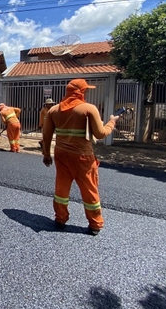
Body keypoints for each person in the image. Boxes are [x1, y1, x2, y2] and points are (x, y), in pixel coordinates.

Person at [42, 78, 119, 236]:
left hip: (61, 155)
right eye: (86, 90)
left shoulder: (54, 110)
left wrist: (46, 154)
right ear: (81, 92)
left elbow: (46, 134)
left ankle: (60, 219)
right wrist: (112, 122)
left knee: (61, 187)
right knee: (89, 188)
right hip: (82, 157)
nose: (87, 93)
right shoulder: (88, 109)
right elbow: (100, 133)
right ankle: (95, 224)